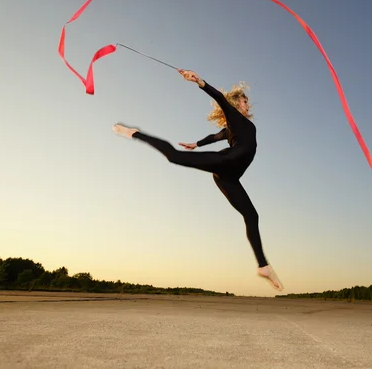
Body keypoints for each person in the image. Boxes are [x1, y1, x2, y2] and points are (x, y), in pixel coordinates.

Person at [112, 69, 283, 291]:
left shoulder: (236, 126)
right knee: (174, 156)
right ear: (236, 103)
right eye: (244, 99)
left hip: (230, 178)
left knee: (252, 214)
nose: (247, 103)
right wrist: (200, 81)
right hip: (226, 163)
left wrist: (197, 144)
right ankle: (134, 133)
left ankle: (263, 266)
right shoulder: (233, 115)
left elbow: (216, 136)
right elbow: (219, 98)